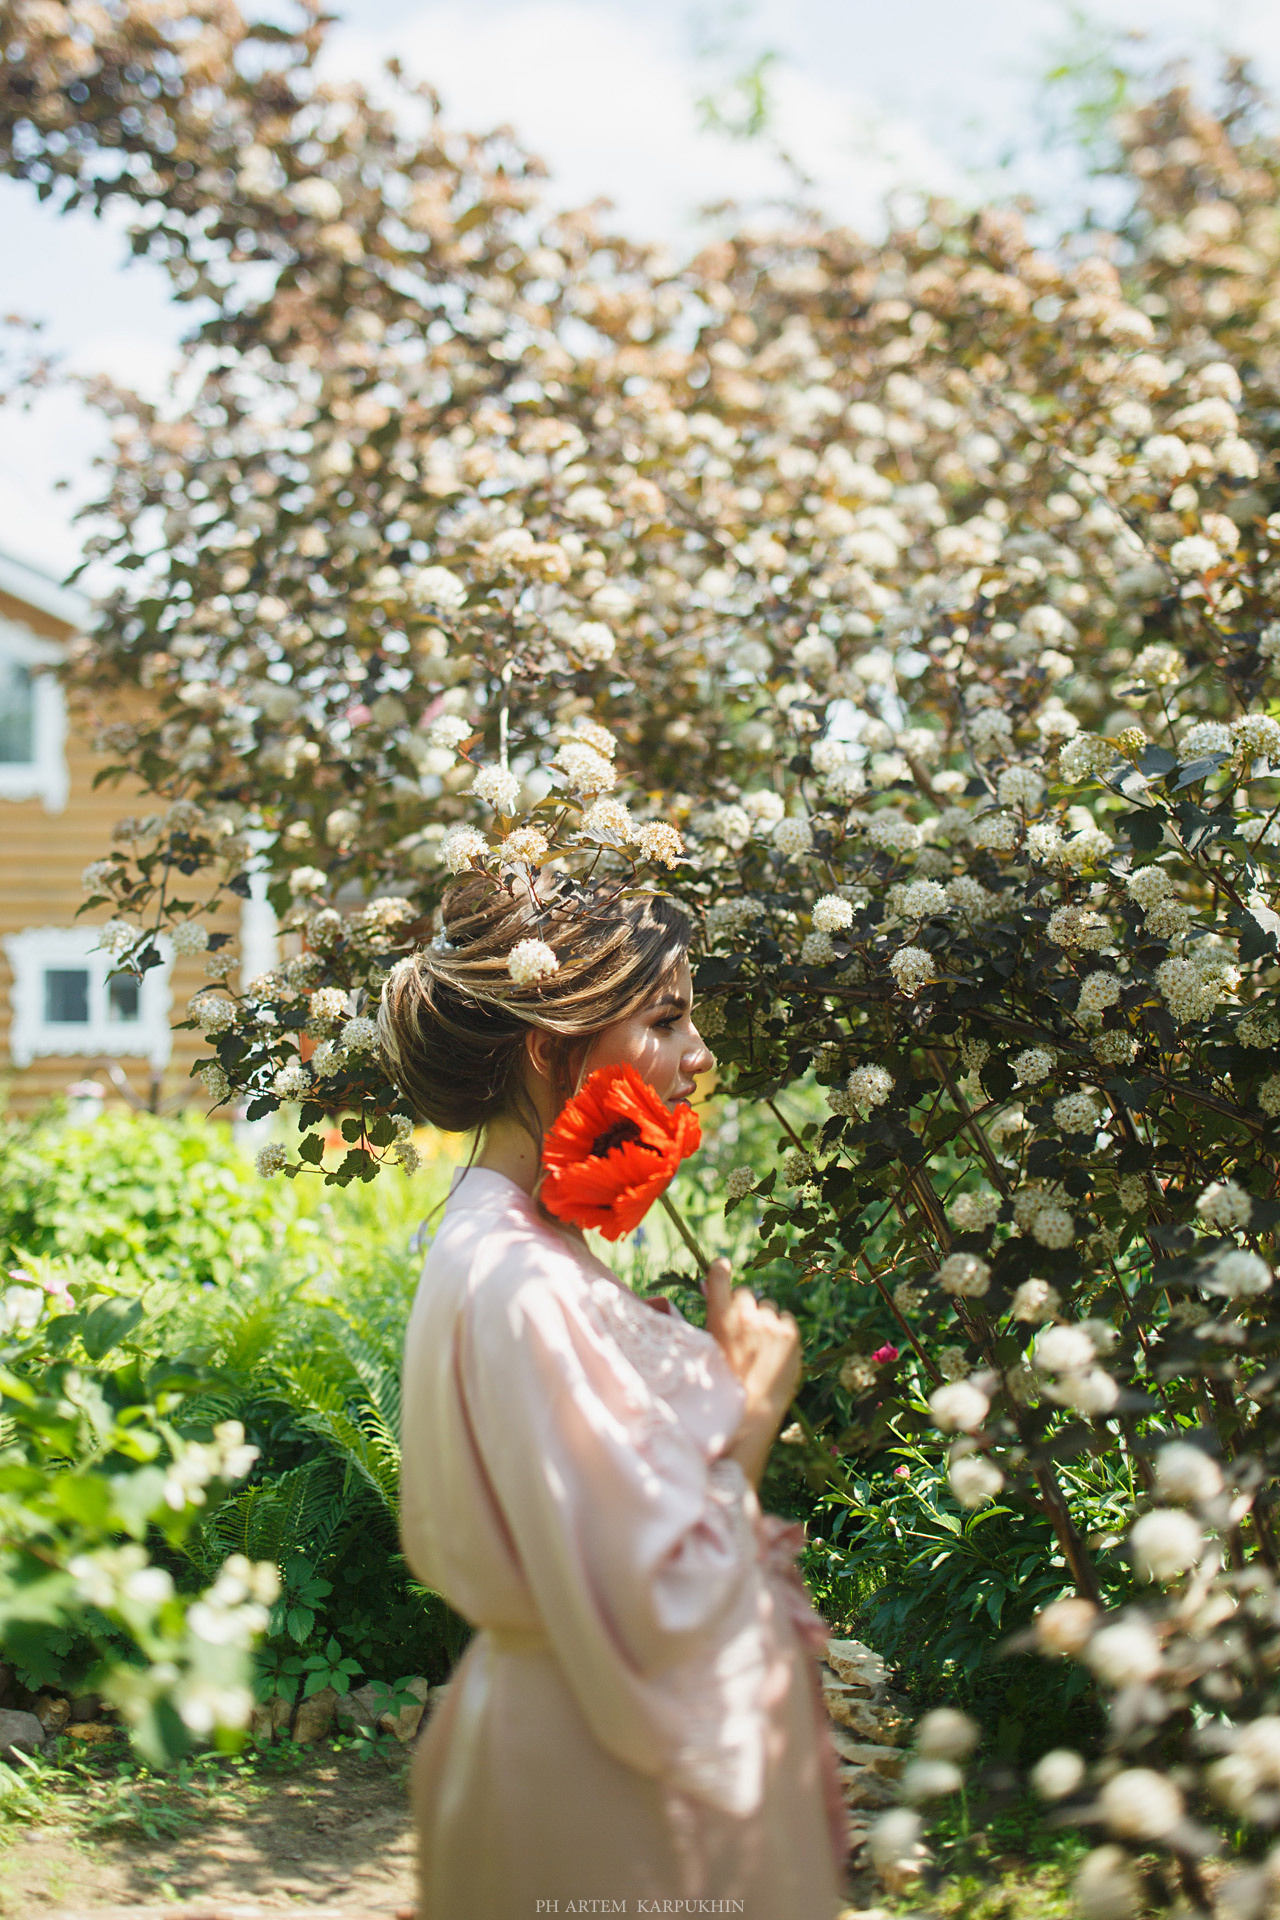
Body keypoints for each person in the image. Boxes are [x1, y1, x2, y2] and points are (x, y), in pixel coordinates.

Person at [379, 871, 845, 1919]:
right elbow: (651, 1596)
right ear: (550, 1050)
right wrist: (754, 1406)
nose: (699, 1056)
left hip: (566, 1742)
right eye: (667, 1020)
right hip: (603, 1790)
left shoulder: (508, 1243)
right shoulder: (523, 1282)